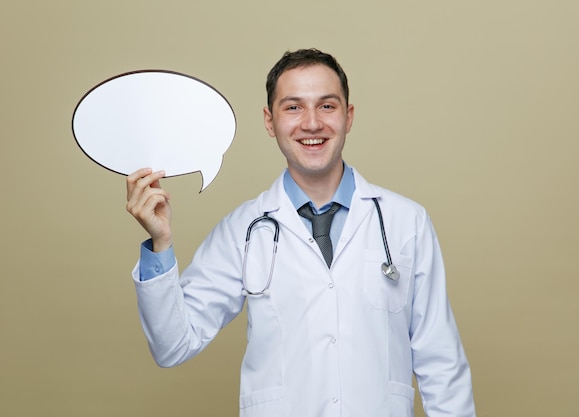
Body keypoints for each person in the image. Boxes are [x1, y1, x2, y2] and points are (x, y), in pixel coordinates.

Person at [125, 48, 476, 417]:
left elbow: (442, 365)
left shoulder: (406, 222)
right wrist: (160, 243)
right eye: (293, 107)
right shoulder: (243, 230)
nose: (311, 124)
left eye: (327, 106)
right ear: (269, 121)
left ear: (348, 116)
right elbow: (172, 345)